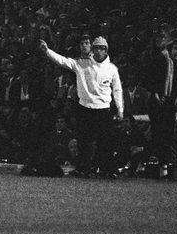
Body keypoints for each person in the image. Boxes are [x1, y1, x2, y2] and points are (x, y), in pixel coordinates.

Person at [38, 35, 124, 177]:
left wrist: (120, 110)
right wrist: (47, 51)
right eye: (96, 48)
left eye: (102, 48)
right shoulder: (81, 64)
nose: (98, 51)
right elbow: (63, 61)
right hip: (85, 108)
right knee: (84, 142)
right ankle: (83, 169)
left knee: (105, 143)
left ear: (106, 50)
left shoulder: (112, 69)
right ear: (93, 49)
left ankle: (107, 170)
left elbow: (117, 89)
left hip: (103, 109)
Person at [142, 36, 177, 178]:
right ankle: (150, 165)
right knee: (157, 134)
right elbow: (149, 78)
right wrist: (156, 93)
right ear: (171, 48)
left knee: (167, 135)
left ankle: (162, 166)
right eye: (176, 48)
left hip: (170, 104)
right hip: (158, 102)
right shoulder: (162, 60)